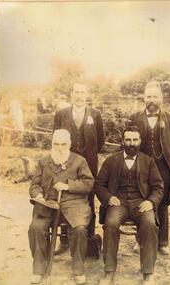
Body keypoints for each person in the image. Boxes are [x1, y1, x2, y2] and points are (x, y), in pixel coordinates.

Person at [95, 126, 164, 285]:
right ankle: (109, 271)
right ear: (122, 141)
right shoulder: (111, 160)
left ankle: (148, 272)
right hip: (119, 203)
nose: (131, 143)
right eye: (128, 139)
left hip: (141, 203)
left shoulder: (148, 161)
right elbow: (99, 184)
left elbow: (158, 187)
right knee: (111, 224)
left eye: (135, 140)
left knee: (149, 224)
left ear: (140, 141)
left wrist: (151, 201)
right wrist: (108, 197)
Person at [28, 129, 94, 285]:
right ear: (51, 144)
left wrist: (67, 185)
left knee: (79, 229)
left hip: (74, 204)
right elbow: (34, 185)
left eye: (63, 144)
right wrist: (38, 195)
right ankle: (38, 268)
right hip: (48, 204)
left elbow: (89, 184)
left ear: (69, 144)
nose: (59, 148)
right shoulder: (44, 161)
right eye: (56, 144)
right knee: (35, 227)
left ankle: (78, 268)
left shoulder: (79, 161)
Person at [129, 80, 170, 255]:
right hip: (142, 168)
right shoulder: (135, 118)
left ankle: (163, 242)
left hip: (164, 168)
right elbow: (128, 144)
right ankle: (140, 239)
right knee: (142, 201)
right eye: (148, 96)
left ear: (160, 98)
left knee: (162, 204)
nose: (151, 99)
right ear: (144, 98)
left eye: (155, 96)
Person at [53, 82, 105, 256]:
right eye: (76, 92)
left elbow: (100, 141)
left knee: (88, 200)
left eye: (82, 92)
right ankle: (65, 241)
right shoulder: (61, 114)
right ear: (72, 94)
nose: (79, 95)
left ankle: (88, 240)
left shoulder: (95, 115)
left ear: (86, 94)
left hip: (88, 166)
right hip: (65, 165)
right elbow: (56, 139)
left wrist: (85, 158)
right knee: (63, 198)